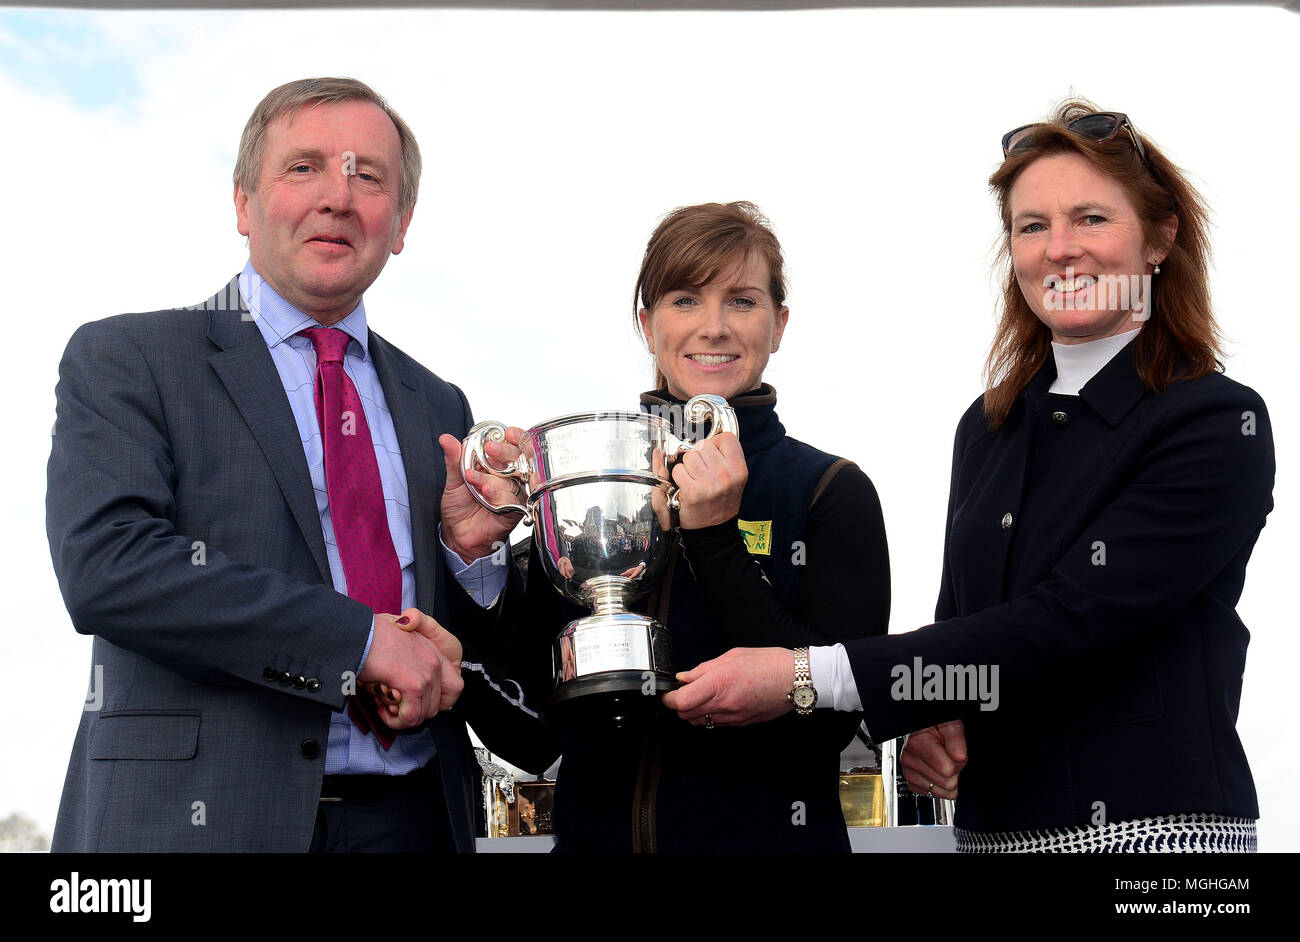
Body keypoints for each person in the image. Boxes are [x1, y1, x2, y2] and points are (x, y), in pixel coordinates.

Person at [663, 104, 1275, 852]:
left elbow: (1069, 622)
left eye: (1089, 219)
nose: (1060, 251)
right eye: (1032, 226)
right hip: (990, 834)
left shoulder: (1214, 421)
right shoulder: (986, 429)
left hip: (1152, 839)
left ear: (1160, 238)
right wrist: (936, 714)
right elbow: (966, 632)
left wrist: (802, 675)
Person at [46, 77, 531, 852]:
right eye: (304, 167)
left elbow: (459, 656)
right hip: (196, 824)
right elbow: (109, 568)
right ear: (243, 202)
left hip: (415, 823)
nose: (338, 197)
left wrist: (469, 559)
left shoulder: (439, 404)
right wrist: (356, 643)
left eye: (368, 176)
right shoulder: (129, 358)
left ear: (399, 222)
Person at [502, 201, 891, 852]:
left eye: (741, 301)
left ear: (779, 324)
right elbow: (528, 734)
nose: (713, 329)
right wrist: (480, 573)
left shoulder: (831, 491)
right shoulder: (587, 490)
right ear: (648, 324)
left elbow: (828, 726)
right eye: (685, 300)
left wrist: (713, 539)